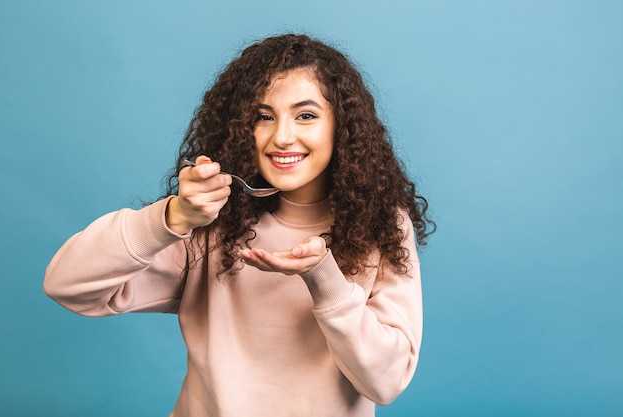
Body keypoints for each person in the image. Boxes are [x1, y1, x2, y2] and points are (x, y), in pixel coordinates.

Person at [44, 33, 435, 417]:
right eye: (264, 116)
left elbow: (386, 383)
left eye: (306, 115)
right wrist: (173, 217)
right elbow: (66, 285)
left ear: (342, 128)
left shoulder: (383, 225)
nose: (282, 137)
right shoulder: (214, 223)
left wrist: (323, 278)